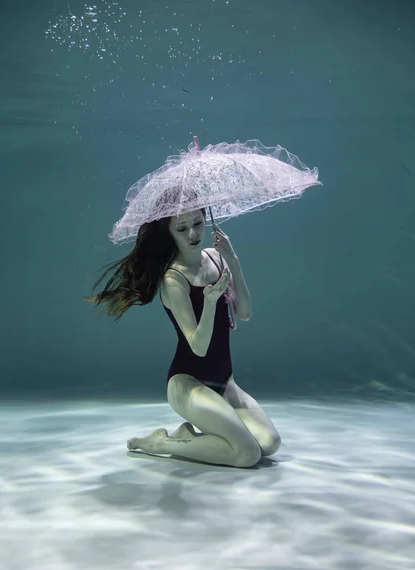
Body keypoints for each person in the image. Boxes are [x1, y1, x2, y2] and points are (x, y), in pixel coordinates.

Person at [87, 188, 281, 468]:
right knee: (247, 454)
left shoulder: (217, 257)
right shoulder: (173, 279)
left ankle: (186, 436)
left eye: (198, 223)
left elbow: (245, 313)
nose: (192, 234)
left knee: (269, 444)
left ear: (205, 218)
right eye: (182, 228)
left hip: (224, 383)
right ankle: (160, 443)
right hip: (187, 384)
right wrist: (211, 301)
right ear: (170, 232)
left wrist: (234, 262)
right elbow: (198, 347)